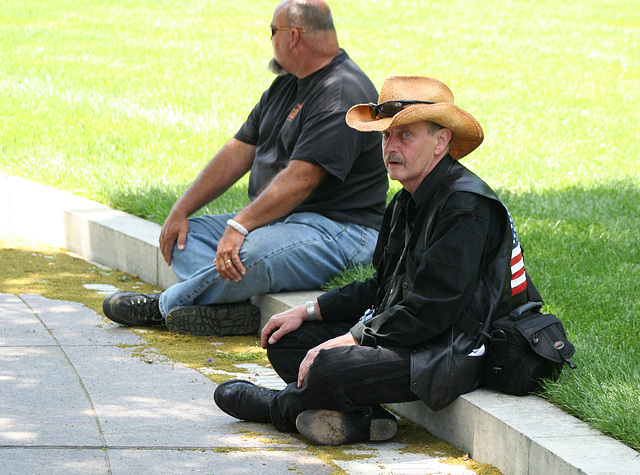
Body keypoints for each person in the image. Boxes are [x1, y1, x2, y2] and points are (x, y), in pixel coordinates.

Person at [212, 75, 531, 446]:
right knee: (288, 339)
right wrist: (309, 311)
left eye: (405, 135)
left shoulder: (466, 207)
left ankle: (279, 408)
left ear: (441, 141)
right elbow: (382, 287)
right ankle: (365, 420)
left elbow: (433, 311)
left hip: (455, 350)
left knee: (329, 364)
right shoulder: (405, 200)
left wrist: (350, 339)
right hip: (417, 336)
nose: (391, 147)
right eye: (386, 136)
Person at [102, 0, 388, 336]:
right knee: (186, 237)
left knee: (249, 252)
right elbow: (237, 151)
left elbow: (303, 178)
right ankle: (230, 311)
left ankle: (162, 307)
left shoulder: (340, 91)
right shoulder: (286, 85)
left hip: (339, 230)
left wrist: (240, 226)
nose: (270, 39)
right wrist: (180, 210)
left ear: (293, 36)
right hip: (281, 221)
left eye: (272, 31)